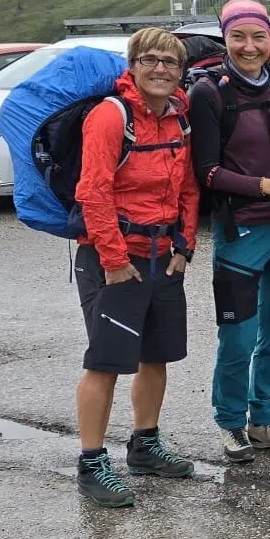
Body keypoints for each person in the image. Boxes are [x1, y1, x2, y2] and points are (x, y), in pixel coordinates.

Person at [72, 27, 199, 508]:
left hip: (164, 256)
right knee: (105, 362)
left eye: (171, 62)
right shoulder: (111, 116)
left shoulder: (179, 119)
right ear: (133, 65)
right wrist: (113, 259)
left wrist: (185, 246)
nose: (162, 69)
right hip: (115, 259)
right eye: (151, 59)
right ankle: (91, 461)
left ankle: (144, 446)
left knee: (156, 356)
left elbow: (187, 187)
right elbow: (93, 191)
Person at [188, 0, 270, 462]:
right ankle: (229, 421)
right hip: (240, 230)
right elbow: (205, 172)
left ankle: (263, 417)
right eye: (238, 36)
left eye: (258, 36)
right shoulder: (208, 92)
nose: (249, 46)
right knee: (239, 336)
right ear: (225, 38)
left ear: (269, 38)